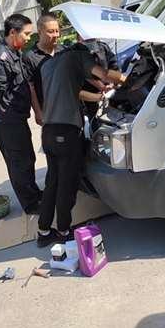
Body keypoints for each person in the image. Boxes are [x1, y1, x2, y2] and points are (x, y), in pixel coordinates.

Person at [36, 34, 127, 247]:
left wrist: (101, 95)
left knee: (52, 181)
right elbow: (105, 74)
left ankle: (43, 231)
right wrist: (128, 81)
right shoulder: (80, 56)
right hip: (66, 131)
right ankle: (64, 231)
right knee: (66, 183)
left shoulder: (50, 64)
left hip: (48, 131)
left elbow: (75, 92)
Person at [0, 14, 42, 215]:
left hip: (17, 118)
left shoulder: (14, 54)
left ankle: (35, 194)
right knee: (19, 164)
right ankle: (31, 204)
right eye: (26, 34)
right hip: (7, 122)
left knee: (27, 159)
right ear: (13, 32)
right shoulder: (0, 58)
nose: (28, 38)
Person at [22, 15, 65, 122]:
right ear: (40, 32)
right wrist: (38, 112)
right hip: (50, 111)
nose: (55, 35)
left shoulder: (63, 50)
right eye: (51, 32)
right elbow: (30, 86)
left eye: (57, 31)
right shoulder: (30, 57)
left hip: (70, 106)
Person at [80, 40, 121, 120]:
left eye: (92, 38)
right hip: (90, 98)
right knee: (96, 122)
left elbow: (114, 66)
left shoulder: (102, 47)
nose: (90, 40)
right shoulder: (74, 54)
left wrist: (116, 84)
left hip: (109, 94)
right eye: (87, 39)